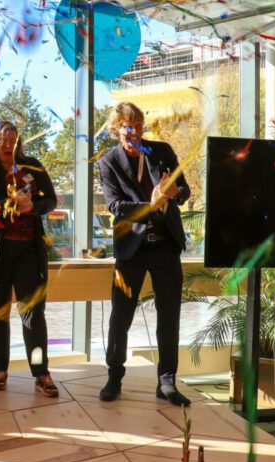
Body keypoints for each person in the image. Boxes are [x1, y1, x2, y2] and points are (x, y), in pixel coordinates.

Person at [97, 101, 192, 406]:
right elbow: (116, 206)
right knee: (120, 316)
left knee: (169, 317)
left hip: (166, 246)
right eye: (129, 127)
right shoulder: (108, 162)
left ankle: (167, 381)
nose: (136, 131)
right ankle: (114, 376)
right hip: (131, 251)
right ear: (116, 130)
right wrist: (150, 205)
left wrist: (175, 192)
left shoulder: (161, 151)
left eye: (139, 125)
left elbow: (185, 190)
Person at [0, 121, 59, 398]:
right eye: (3, 138)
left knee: (34, 315)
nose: (8, 143)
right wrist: (11, 204)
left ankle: (41, 372)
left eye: (13, 139)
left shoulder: (32, 166)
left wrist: (33, 206)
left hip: (29, 252)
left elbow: (51, 200)